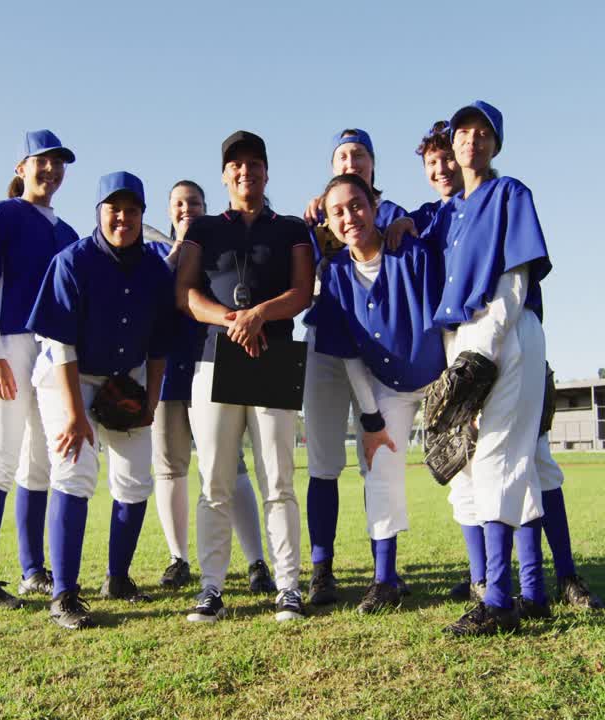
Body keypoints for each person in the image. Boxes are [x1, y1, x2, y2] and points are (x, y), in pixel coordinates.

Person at [391, 120, 605, 614]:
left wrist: (480, 351)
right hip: (467, 339)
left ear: (493, 144)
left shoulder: (508, 192)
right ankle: (524, 591)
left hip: (504, 333)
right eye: (439, 155)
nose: (452, 158)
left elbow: (514, 281)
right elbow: (388, 219)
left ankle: (508, 595)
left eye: (473, 138)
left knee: (511, 463)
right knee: (494, 466)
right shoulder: (445, 215)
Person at [175, 131, 314, 623]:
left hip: (273, 357)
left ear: (267, 172)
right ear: (224, 175)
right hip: (216, 360)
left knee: (278, 480)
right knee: (215, 481)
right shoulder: (206, 228)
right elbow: (185, 295)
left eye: (254, 163)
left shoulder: (292, 227)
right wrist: (234, 320)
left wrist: (259, 315)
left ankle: (288, 587)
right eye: (235, 165)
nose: (245, 172)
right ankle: (211, 589)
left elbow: (303, 292)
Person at [26, 171, 173, 629]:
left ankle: (118, 577)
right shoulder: (73, 261)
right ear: (99, 213)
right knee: (75, 469)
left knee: (135, 479)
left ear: (141, 216)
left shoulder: (154, 267)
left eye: (132, 211)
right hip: (67, 374)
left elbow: (160, 344)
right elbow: (62, 344)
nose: (123, 218)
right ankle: (64, 595)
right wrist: (74, 414)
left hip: (124, 375)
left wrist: (151, 400)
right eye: (114, 210)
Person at [304, 173, 446, 613]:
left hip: (439, 377)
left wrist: (462, 395)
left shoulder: (412, 253)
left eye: (357, 205)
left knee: (468, 469)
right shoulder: (335, 273)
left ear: (375, 205)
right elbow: (348, 355)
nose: (350, 217)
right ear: (327, 224)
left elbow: (448, 325)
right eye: (338, 212)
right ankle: (385, 580)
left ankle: (484, 577)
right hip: (387, 385)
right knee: (381, 465)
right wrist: (370, 420)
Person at [0, 129, 78, 610]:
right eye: (41, 162)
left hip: (52, 350)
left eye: (58, 163)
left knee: (41, 462)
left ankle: (33, 571)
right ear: (21, 169)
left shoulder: (68, 232)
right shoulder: (1, 214)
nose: (50, 170)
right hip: (9, 343)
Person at [146, 180, 275, 593]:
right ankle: (178, 558)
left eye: (194, 203)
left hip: (214, 362)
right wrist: (175, 250)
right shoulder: (154, 253)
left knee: (229, 465)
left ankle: (256, 561)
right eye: (179, 204)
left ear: (207, 206)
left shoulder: (218, 246)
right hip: (167, 370)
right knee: (170, 466)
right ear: (169, 211)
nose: (187, 209)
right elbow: (151, 293)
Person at [300, 129, 410, 606]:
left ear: (372, 164)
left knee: (378, 457)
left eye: (359, 154)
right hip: (326, 343)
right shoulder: (319, 214)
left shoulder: (394, 215)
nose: (350, 160)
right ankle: (322, 569)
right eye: (342, 154)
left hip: (377, 347)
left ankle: (383, 570)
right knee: (324, 462)